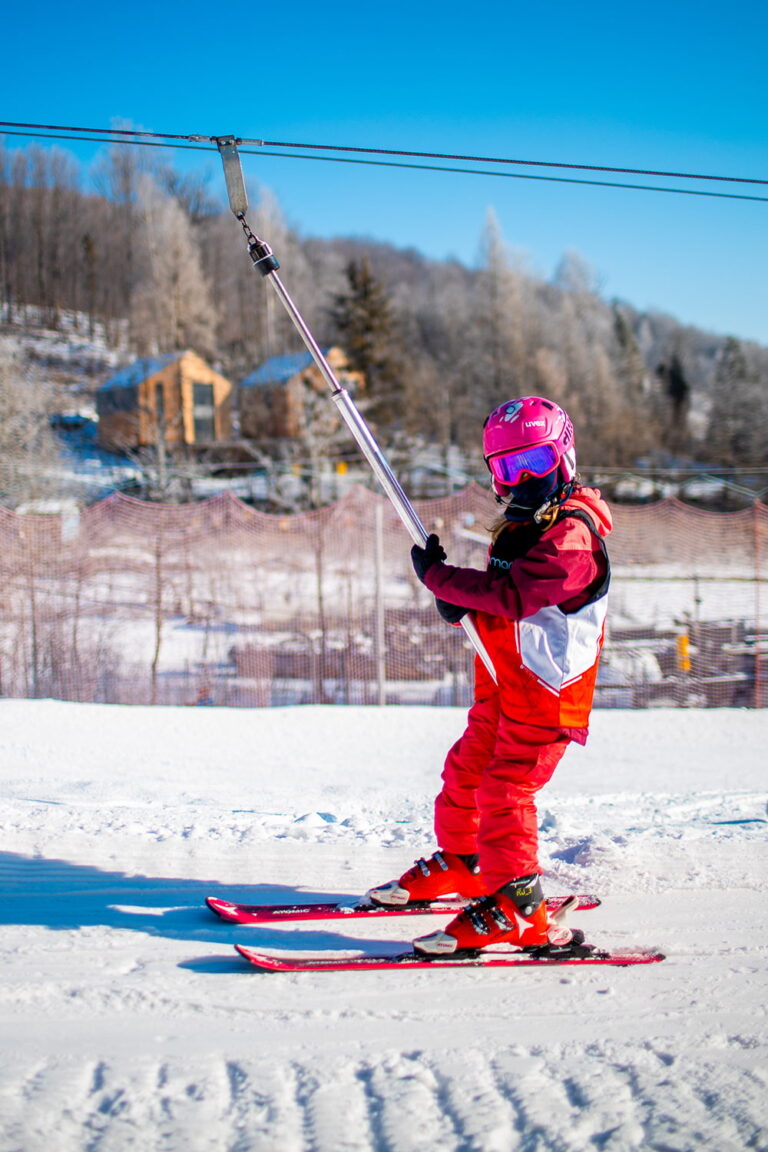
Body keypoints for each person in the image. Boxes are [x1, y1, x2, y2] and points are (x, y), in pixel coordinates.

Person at [367, 395, 612, 955]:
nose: (522, 481)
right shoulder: (525, 525)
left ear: (564, 459)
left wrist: (445, 581)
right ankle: (467, 864)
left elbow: (519, 595)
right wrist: (464, 605)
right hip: (505, 684)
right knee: (466, 773)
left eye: (535, 465)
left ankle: (518, 909)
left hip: (547, 698)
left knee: (505, 792)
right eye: (508, 468)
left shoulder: (572, 536)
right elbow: (499, 604)